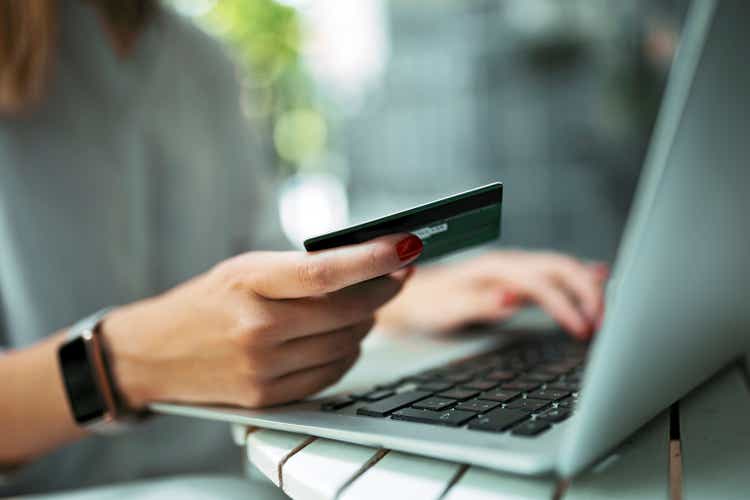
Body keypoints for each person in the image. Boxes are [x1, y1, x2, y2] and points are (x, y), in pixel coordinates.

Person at [0, 0, 606, 495]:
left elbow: (252, 293)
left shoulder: (201, 62)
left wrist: (414, 296)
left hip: (249, 478)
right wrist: (118, 366)